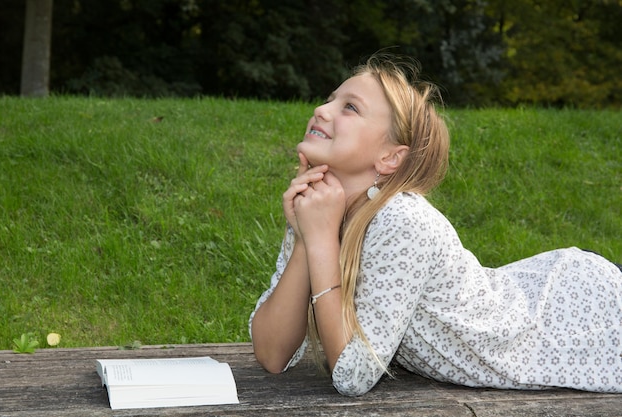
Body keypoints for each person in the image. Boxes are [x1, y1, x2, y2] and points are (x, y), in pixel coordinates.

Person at [249, 52, 622, 396]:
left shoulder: (404, 221)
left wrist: (319, 242)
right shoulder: (319, 208)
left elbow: (353, 376)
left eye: (349, 107)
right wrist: (306, 238)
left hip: (581, 318)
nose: (321, 109)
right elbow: (272, 354)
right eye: (330, 98)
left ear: (390, 157)